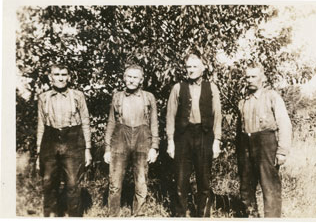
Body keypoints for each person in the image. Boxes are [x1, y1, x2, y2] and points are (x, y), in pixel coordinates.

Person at [166, 52, 222, 217]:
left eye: (195, 66)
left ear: (203, 68)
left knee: (203, 179)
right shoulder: (178, 88)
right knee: (181, 179)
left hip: (205, 136)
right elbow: (170, 116)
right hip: (183, 136)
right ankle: (179, 215)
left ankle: (202, 215)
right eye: (188, 66)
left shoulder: (211, 88)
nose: (191, 70)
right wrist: (170, 141)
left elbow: (217, 115)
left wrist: (217, 140)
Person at [36, 64, 92, 217]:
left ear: (69, 77)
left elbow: (85, 122)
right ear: (50, 77)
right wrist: (38, 152)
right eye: (57, 74)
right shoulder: (43, 97)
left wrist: (88, 149)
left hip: (73, 140)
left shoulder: (78, 96)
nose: (60, 78)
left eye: (63, 74)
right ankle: (51, 217)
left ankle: (74, 217)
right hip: (50, 140)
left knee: (73, 184)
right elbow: (41, 124)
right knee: (48, 182)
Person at [236, 63, 292, 217]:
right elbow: (238, 129)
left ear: (262, 78)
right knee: (246, 187)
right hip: (246, 145)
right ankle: (251, 217)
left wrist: (282, 151)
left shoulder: (271, 96)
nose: (250, 80)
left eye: (253, 76)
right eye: (247, 77)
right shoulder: (243, 101)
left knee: (270, 187)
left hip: (266, 144)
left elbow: (284, 123)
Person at [103, 64, 159, 217]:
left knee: (141, 182)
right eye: (129, 76)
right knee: (114, 182)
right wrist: (107, 148)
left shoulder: (149, 97)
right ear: (124, 78)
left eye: (135, 77)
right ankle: (113, 216)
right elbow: (111, 123)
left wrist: (154, 147)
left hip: (142, 139)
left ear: (141, 80)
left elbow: (154, 122)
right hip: (120, 138)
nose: (131, 80)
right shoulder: (117, 96)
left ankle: (139, 216)